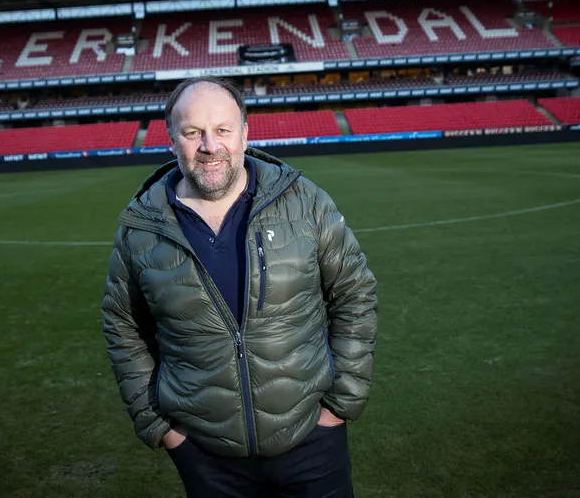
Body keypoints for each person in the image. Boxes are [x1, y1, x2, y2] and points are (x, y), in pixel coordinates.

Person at [102, 77, 378, 497]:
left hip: (313, 441)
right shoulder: (141, 230)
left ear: (245, 134)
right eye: (193, 132)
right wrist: (162, 428)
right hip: (207, 458)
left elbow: (355, 295)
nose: (210, 145)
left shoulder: (306, 203)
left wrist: (340, 406)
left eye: (223, 129)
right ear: (172, 138)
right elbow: (123, 328)